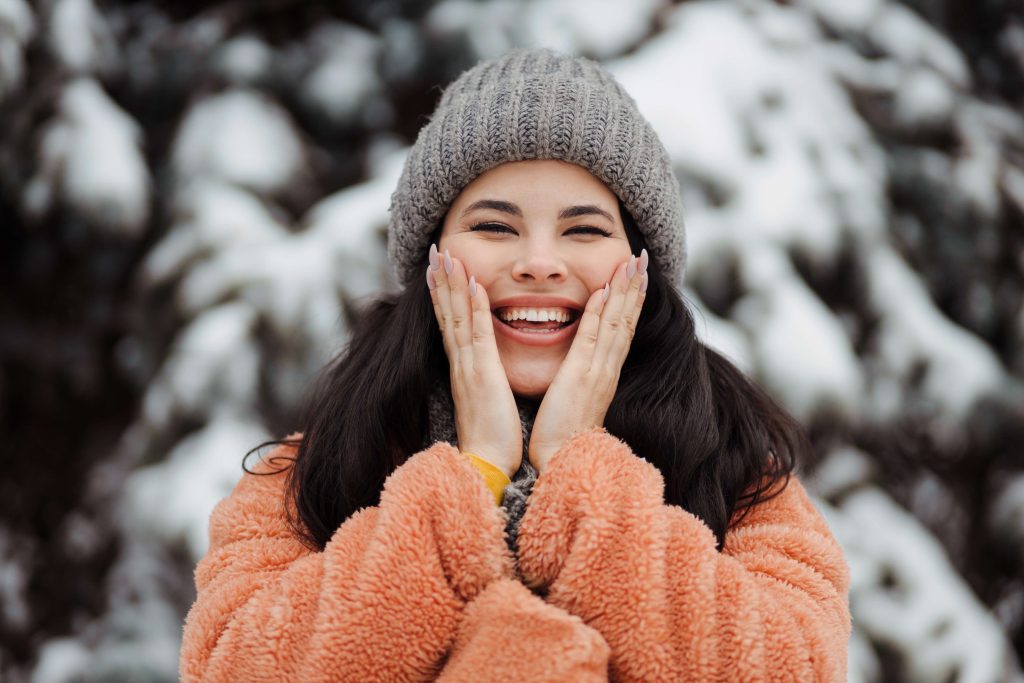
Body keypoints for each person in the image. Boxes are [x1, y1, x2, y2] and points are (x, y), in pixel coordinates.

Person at [179, 48, 851, 682]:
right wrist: (471, 478)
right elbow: (233, 664)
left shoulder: (735, 469)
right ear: (432, 262)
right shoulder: (311, 473)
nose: (538, 261)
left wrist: (578, 472)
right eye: (494, 227)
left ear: (640, 269)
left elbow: (794, 663)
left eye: (584, 229)